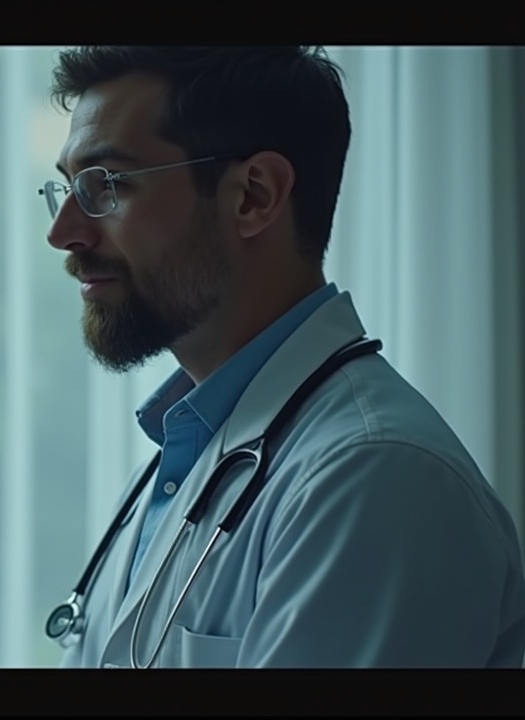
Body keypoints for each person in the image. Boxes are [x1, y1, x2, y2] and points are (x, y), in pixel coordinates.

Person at [40, 45, 525, 668]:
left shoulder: (372, 478)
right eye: (65, 188)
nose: (63, 233)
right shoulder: (183, 459)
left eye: (106, 185)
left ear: (254, 196)